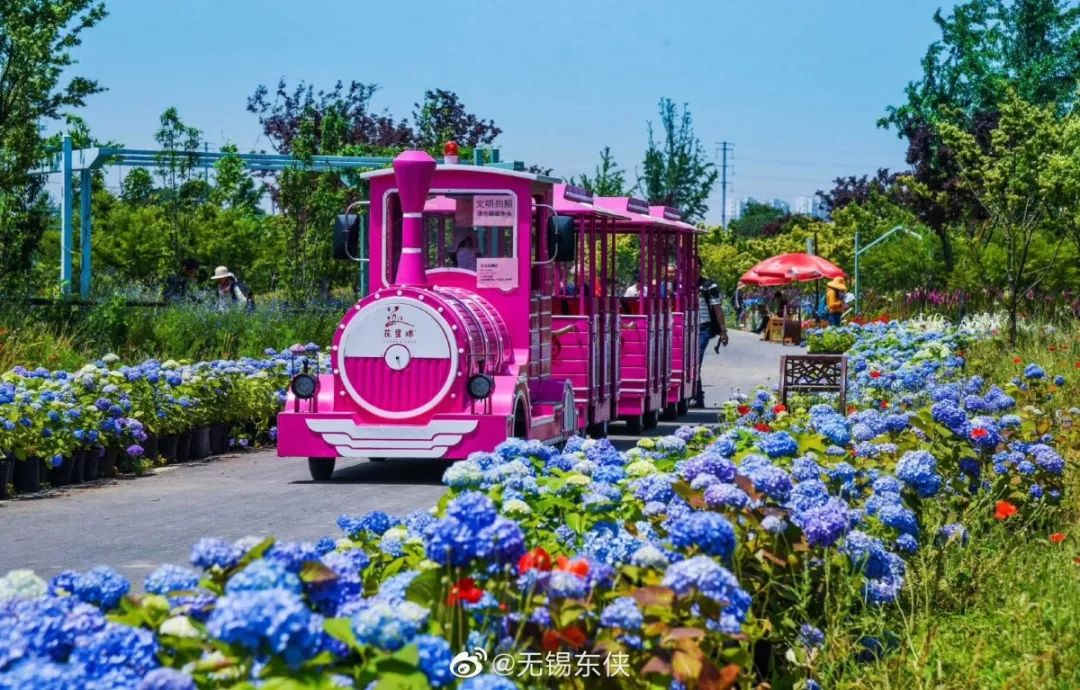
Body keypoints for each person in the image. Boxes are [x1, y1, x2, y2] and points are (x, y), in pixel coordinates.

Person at [693, 272, 725, 408]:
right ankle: (696, 395)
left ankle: (697, 397)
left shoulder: (709, 285)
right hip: (684, 327)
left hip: (703, 328)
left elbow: (717, 308)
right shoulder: (679, 284)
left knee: (696, 361)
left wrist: (723, 331)